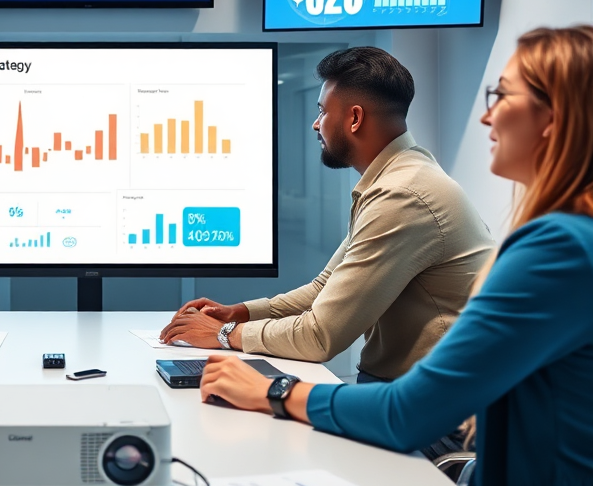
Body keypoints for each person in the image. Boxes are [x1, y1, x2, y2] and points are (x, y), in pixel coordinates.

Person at [199, 26, 593, 486]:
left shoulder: (556, 248)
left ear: (555, 117)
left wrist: (269, 389)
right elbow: (324, 289)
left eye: (501, 94)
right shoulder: (562, 234)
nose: (485, 115)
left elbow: (406, 409)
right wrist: (239, 316)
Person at [161, 46, 494, 383]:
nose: (316, 124)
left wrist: (224, 335)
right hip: (410, 391)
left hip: (433, 412)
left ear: (354, 118)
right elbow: (324, 287)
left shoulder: (402, 194)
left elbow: (320, 336)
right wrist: (242, 313)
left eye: (322, 111)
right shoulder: (402, 175)